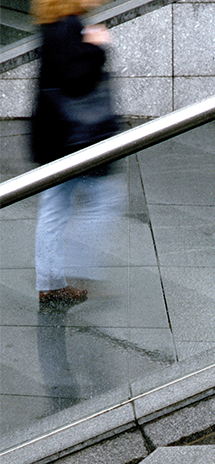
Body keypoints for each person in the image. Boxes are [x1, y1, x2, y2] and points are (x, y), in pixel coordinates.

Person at [30, 0, 122, 308]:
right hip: (74, 136)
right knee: (104, 200)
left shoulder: (52, 24)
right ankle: (78, 269)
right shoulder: (70, 25)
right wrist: (96, 46)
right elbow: (75, 78)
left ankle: (50, 282)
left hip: (55, 133)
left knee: (55, 206)